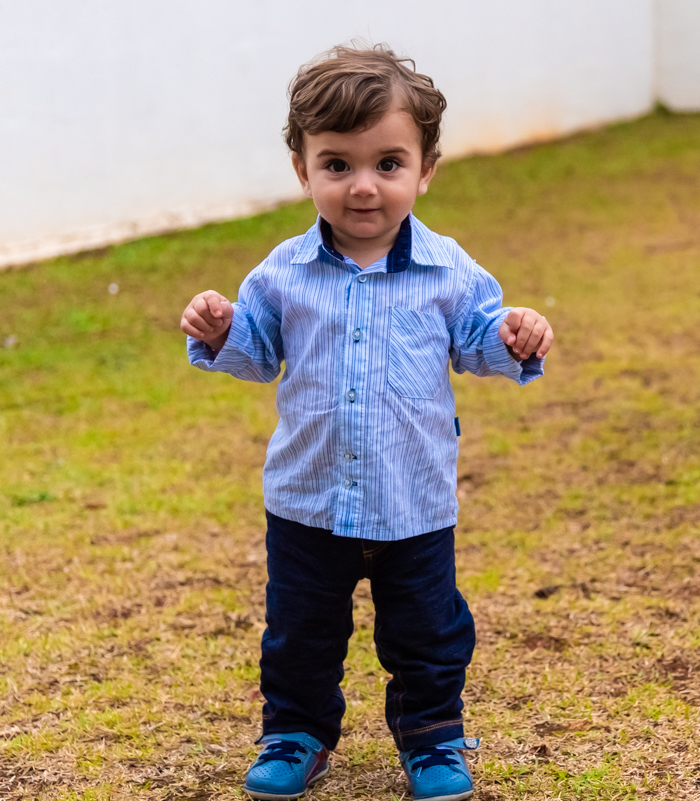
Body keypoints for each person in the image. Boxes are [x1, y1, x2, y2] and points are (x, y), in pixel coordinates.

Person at [179, 43, 553, 801]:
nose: (362, 187)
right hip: (307, 498)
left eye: (388, 164)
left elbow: (480, 339)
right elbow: (258, 352)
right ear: (302, 168)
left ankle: (433, 737)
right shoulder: (281, 272)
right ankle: (296, 731)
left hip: (411, 499)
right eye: (337, 164)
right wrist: (222, 331)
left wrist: (513, 336)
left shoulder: (449, 270)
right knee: (300, 633)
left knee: (427, 633)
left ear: (425, 168)